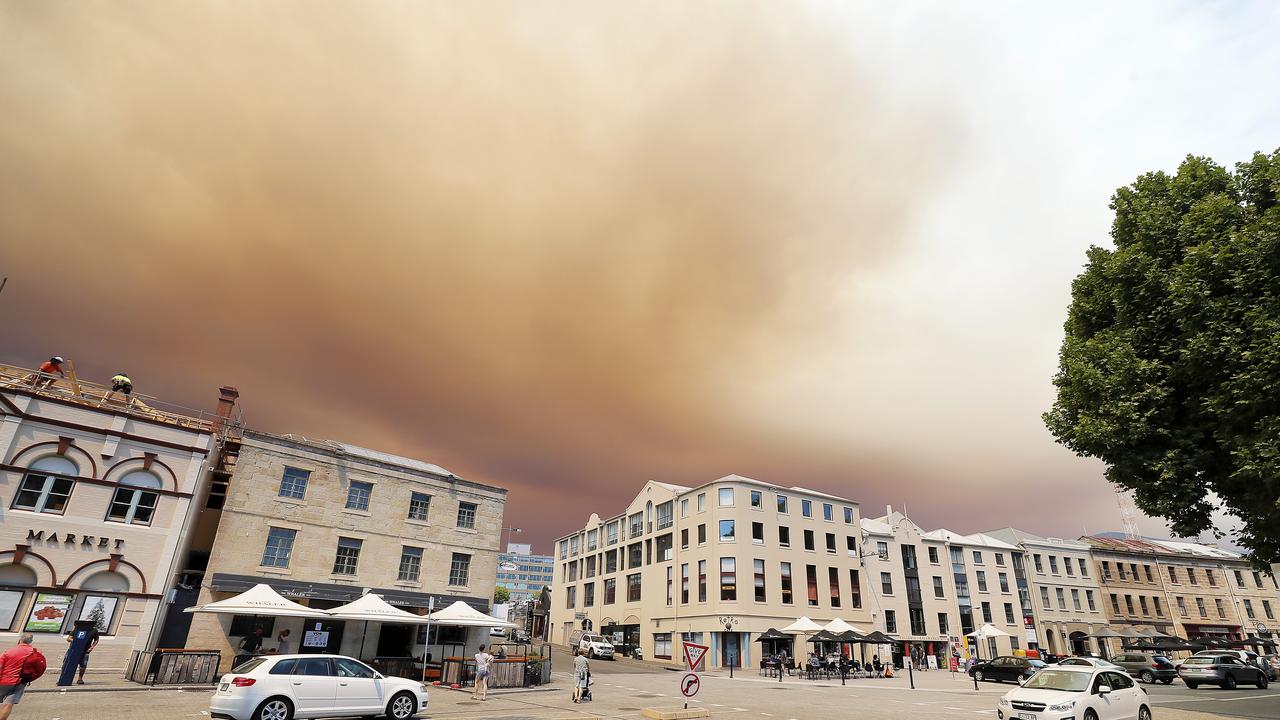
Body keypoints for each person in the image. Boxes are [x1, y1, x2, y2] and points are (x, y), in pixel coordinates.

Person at [0, 634, 39, 720]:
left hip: (4, 680)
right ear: (31, 641)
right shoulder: (34, 652)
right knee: (9, 704)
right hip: (21, 681)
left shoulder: (9, 652)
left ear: (19, 640)